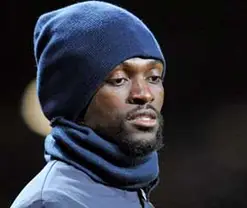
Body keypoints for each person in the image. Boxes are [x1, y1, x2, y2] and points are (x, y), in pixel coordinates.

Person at [11, 1, 166, 207]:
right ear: (74, 97)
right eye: (119, 79)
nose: (144, 94)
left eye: (154, 77)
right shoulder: (54, 202)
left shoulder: (129, 191)